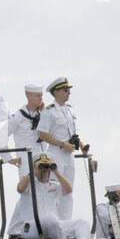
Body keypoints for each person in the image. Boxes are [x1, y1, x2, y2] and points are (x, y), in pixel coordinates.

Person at [37, 76, 95, 221]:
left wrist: (81, 146)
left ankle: (66, 223)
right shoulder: (48, 112)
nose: (68, 92)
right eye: (65, 90)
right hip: (56, 153)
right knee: (54, 190)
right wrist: (62, 144)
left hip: (69, 155)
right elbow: (42, 134)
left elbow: (73, 133)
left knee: (68, 191)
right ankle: (53, 222)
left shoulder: (70, 111)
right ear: (56, 92)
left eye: (68, 90)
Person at [6, 154, 90, 239]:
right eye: (41, 166)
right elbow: (20, 189)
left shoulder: (54, 185)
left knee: (82, 224)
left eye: (47, 167)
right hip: (29, 227)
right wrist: (33, 171)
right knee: (50, 220)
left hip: (52, 226)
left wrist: (55, 171)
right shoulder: (29, 183)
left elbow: (68, 190)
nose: (45, 170)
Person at [0, 83, 47, 176]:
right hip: (27, 162)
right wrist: (8, 158)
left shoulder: (44, 114)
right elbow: (2, 136)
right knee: (29, 189)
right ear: (29, 96)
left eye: (41, 95)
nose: (41, 98)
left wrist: (44, 113)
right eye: (38, 96)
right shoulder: (18, 116)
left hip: (45, 160)